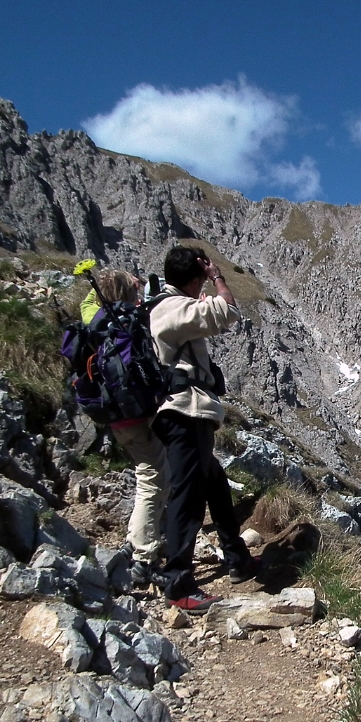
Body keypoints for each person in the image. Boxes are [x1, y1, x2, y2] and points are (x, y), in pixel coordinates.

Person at [150, 245, 260, 612]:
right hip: (184, 413)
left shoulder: (167, 307)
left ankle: (237, 560)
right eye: (201, 280)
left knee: (213, 481)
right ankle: (178, 582)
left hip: (185, 413)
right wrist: (218, 277)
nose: (204, 287)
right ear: (195, 279)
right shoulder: (171, 308)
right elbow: (225, 310)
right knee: (187, 495)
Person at [85, 269, 169, 582]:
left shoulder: (95, 321)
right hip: (139, 415)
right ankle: (145, 559)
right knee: (152, 480)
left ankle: (135, 541)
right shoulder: (128, 321)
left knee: (149, 476)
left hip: (114, 417)